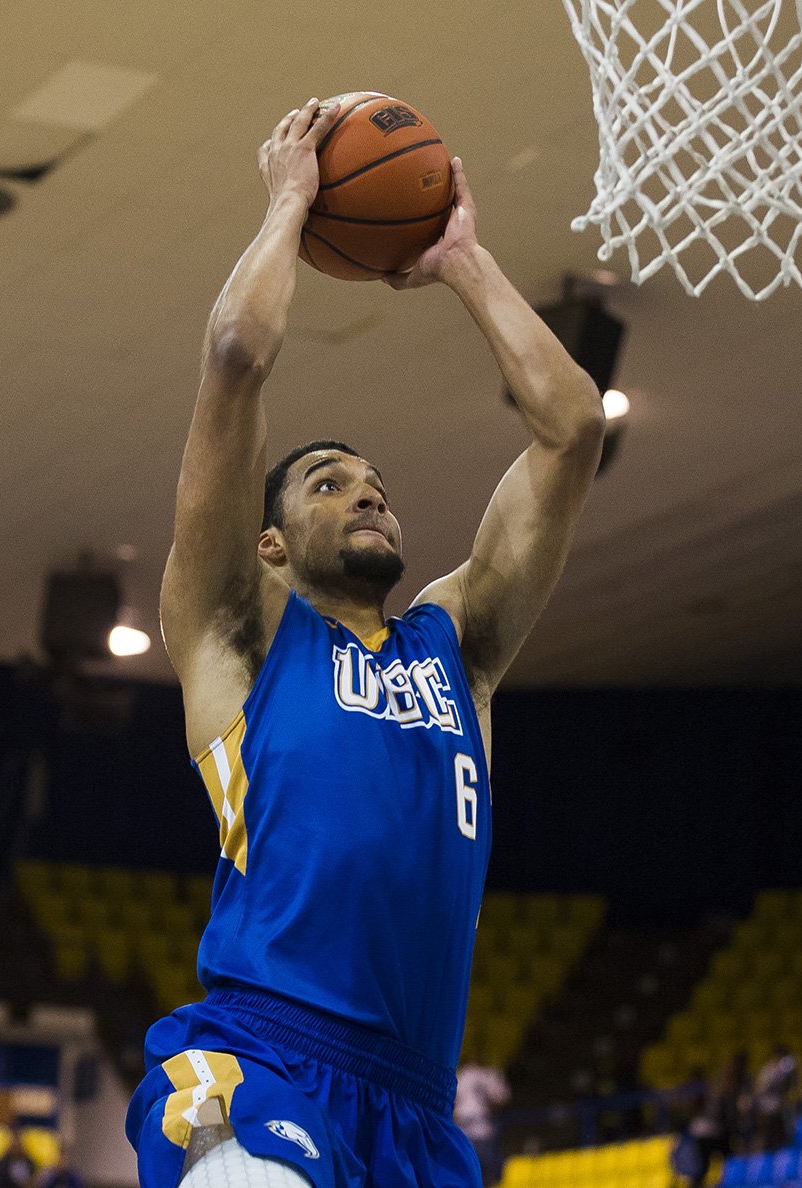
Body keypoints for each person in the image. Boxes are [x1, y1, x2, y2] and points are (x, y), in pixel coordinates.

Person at [124, 96, 605, 1188]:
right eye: (330, 484)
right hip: (261, 1062)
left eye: (377, 485)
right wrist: (293, 204)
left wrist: (464, 262)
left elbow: (571, 429)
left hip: (415, 1114)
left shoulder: (458, 644)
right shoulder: (239, 636)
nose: (368, 495)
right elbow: (238, 353)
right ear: (271, 545)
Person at [454, 1057, 512, 1186]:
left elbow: (500, 1100)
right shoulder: (462, 1074)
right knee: (468, 1174)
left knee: (485, 1175)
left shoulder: (489, 1073)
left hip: (482, 1132)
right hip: (467, 1132)